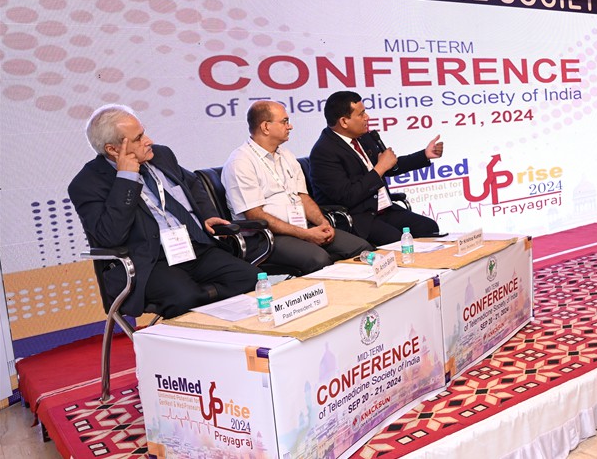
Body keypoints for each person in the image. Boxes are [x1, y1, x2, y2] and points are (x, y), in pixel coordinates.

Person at [68, 104, 260, 318]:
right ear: (113, 150)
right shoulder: (87, 184)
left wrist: (207, 215)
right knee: (186, 297)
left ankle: (225, 324)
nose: (148, 140)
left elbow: (192, 182)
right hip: (149, 261)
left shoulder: (160, 155)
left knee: (252, 278)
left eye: (144, 133)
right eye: (138, 138)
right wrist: (126, 179)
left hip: (194, 247)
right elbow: (110, 236)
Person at [221, 101, 372, 274]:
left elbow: (303, 197)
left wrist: (323, 224)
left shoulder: (286, 155)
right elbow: (255, 215)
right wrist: (305, 234)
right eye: (284, 121)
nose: (290, 126)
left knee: (361, 248)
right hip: (265, 237)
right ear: (265, 127)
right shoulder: (241, 162)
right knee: (319, 259)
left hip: (301, 227)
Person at [309, 91, 442, 245]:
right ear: (344, 121)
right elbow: (347, 196)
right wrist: (379, 168)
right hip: (357, 217)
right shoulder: (324, 152)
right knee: (397, 240)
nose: (367, 117)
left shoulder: (363, 137)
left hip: (382, 209)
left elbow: (390, 166)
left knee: (428, 227)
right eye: (361, 114)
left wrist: (424, 155)